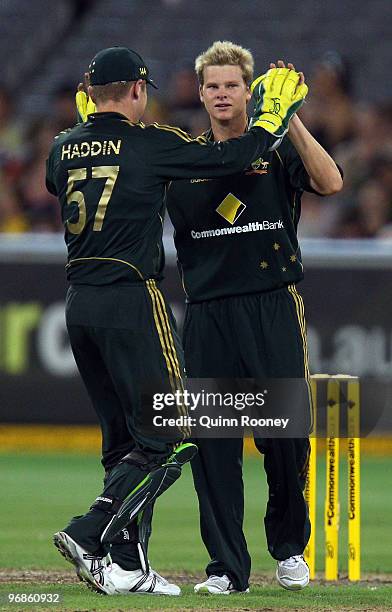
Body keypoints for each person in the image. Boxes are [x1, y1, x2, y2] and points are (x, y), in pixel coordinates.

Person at [45, 46, 307, 596]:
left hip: (77, 303)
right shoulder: (153, 144)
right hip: (132, 299)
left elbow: (62, 178)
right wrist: (270, 118)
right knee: (180, 432)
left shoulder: (64, 147)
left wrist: (86, 130)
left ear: (90, 94)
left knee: (124, 441)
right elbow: (229, 160)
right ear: (139, 90)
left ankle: (127, 566)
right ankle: (92, 530)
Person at [166, 41, 343, 594]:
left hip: (271, 303)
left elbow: (331, 182)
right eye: (212, 86)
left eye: (232, 85)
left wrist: (288, 120)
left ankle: (290, 549)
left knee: (286, 436)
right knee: (213, 445)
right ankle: (226, 568)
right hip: (208, 311)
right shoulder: (185, 156)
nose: (222, 94)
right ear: (201, 94)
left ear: (248, 91)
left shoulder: (277, 148)